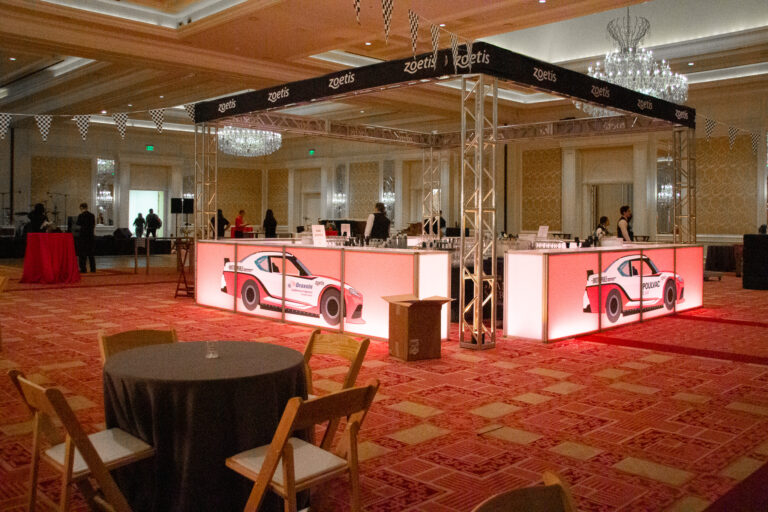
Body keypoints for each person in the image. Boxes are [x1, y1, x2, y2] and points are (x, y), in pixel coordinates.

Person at [75, 202, 96, 273]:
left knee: (82, 254)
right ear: (87, 207)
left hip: (83, 237)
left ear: (81, 208)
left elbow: (78, 225)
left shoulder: (81, 216)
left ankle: (83, 269)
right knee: (91, 254)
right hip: (90, 236)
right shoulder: (92, 215)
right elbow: (93, 225)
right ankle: (93, 269)